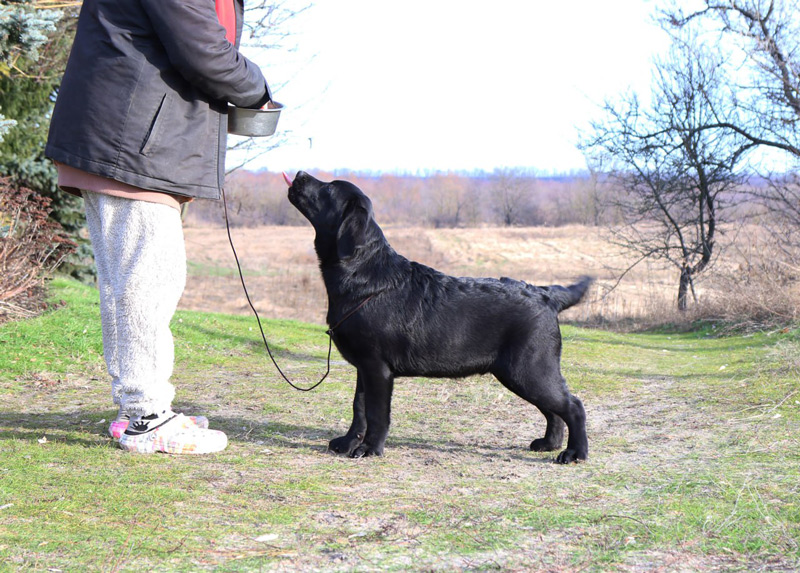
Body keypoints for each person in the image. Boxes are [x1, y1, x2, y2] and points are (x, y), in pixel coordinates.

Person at [45, 0, 273, 454]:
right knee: (147, 280)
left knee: (134, 280)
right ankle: (147, 415)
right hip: (129, 143)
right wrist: (258, 87)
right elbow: (204, 51)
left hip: (134, 141)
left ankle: (136, 410)